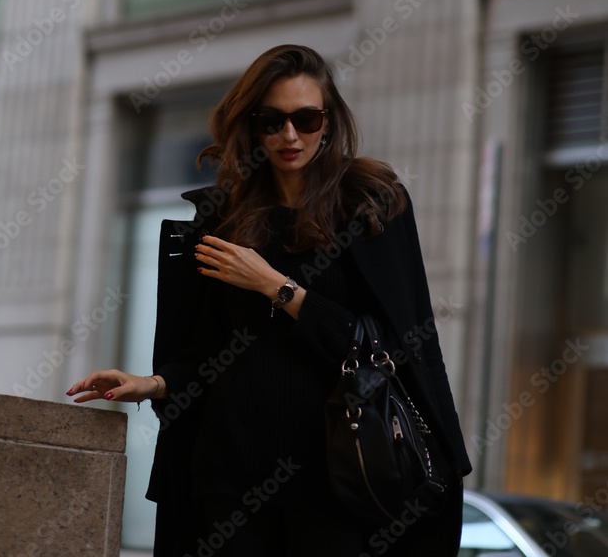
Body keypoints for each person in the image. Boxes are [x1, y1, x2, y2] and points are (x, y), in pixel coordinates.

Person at [67, 44, 471, 557]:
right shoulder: (222, 218)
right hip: (230, 479)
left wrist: (278, 288)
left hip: (340, 482)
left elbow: (386, 348)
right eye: (271, 120)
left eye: (306, 118)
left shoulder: (370, 204)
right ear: (249, 125)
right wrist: (154, 382)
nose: (289, 135)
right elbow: (211, 352)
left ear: (329, 121)